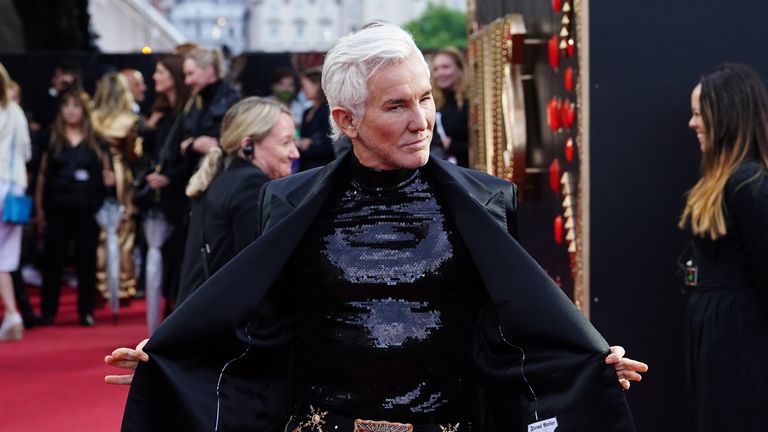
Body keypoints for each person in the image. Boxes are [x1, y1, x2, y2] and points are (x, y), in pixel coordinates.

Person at [107, 23, 647, 432]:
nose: (421, 120)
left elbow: (506, 331)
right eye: (397, 105)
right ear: (346, 121)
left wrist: (585, 365)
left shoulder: (487, 200)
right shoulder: (288, 200)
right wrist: (172, 361)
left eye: (426, 98)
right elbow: (262, 328)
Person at [679, 63, 768, 432]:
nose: (692, 123)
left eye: (699, 113)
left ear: (726, 116)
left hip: (739, 343)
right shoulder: (722, 182)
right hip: (717, 339)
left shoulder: (749, 184)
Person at [177, 96, 299, 304]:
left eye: (294, 141)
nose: (294, 153)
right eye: (285, 142)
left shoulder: (223, 180)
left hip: (201, 321)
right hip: (217, 328)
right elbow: (257, 277)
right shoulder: (251, 185)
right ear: (248, 146)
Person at [35, 88, 111, 326]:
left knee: (87, 261)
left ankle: (85, 311)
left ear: (84, 110)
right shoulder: (51, 137)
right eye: (66, 105)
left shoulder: (97, 140)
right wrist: (39, 210)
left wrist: (110, 184)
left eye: (76, 105)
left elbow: (108, 173)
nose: (70, 110)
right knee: (52, 262)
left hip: (87, 210)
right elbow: (41, 176)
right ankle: (48, 311)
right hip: (56, 208)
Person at [137, 54, 192, 313]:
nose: (155, 77)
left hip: (180, 199)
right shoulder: (163, 114)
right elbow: (151, 151)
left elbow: (189, 160)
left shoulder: (188, 114)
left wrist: (170, 178)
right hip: (160, 198)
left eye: (160, 72)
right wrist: (149, 128)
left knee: (176, 259)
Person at [92, 72, 142, 308]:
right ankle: (124, 287)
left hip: (95, 175)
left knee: (101, 234)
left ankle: (101, 286)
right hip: (121, 175)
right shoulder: (129, 119)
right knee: (124, 232)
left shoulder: (91, 117)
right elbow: (134, 154)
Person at [0, 62, 31, 342]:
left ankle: (12, 314)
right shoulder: (17, 112)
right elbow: (26, 152)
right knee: (5, 259)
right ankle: (12, 313)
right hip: (16, 188)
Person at [179, 46, 240, 174]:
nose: (187, 81)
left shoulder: (231, 100)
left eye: (191, 73)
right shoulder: (195, 102)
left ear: (210, 70)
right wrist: (194, 145)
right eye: (185, 75)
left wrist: (193, 145)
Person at [430, 47, 469, 167]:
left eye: (445, 67)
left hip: (467, 171)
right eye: (436, 69)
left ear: (460, 68)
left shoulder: (471, 102)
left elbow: (482, 145)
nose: (440, 73)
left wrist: (452, 145)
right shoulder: (435, 102)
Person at [296, 67, 334, 171]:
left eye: (305, 86)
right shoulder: (306, 111)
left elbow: (329, 144)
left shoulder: (327, 111)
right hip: (304, 166)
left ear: (317, 85)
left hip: (322, 168)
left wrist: (310, 143)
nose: (302, 90)